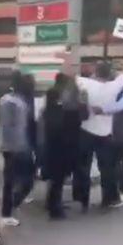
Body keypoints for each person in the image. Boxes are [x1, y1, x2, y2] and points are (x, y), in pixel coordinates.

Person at [62, 43, 123, 211]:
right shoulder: (113, 87)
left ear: (95, 72)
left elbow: (68, 73)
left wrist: (67, 55)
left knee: (83, 166)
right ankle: (109, 198)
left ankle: (82, 199)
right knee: (107, 168)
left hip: (86, 130)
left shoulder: (86, 84)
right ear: (109, 74)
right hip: (105, 134)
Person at [42, 73, 85, 219]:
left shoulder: (49, 111)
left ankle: (52, 203)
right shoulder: (62, 112)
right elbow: (71, 126)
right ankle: (55, 208)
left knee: (55, 178)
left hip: (53, 147)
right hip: (61, 148)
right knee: (58, 179)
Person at [0, 72, 36, 227]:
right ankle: (6, 212)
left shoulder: (17, 100)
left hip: (19, 145)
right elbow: (8, 125)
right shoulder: (11, 102)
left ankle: (11, 202)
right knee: (13, 179)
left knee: (17, 178)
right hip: (14, 147)